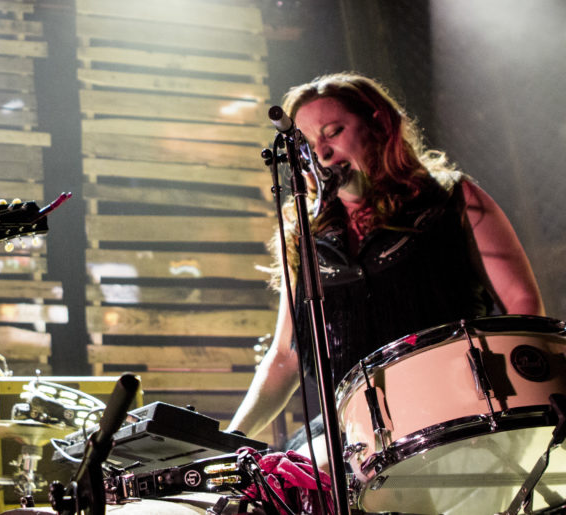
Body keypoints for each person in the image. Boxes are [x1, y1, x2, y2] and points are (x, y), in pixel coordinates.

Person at [226, 72, 545, 461]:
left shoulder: (451, 199)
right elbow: (285, 356)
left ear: (379, 124)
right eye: (309, 145)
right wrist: (232, 436)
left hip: (458, 411)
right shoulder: (305, 238)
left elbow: (522, 304)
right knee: (288, 476)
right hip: (354, 430)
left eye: (334, 131)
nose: (322, 152)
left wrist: (518, 401)